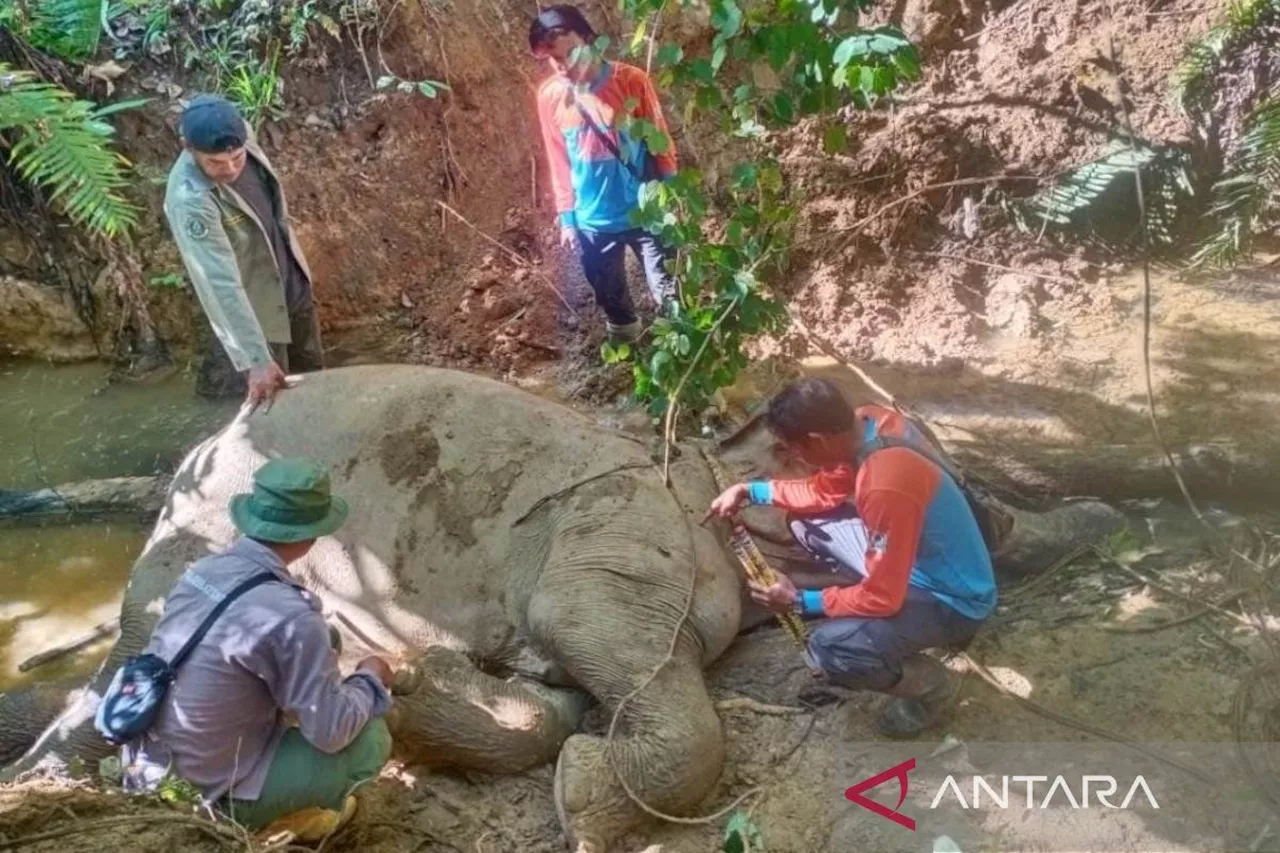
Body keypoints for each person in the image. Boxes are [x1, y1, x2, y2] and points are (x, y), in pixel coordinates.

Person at [704, 377, 997, 738]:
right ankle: (875, 617)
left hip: (954, 597)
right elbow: (824, 492)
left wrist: (798, 600)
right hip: (924, 557)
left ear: (817, 440)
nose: (795, 458)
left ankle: (933, 687)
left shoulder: (883, 485)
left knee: (831, 648)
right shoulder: (870, 422)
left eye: (792, 449)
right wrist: (751, 491)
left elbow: (882, 596)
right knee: (809, 527)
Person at [120, 458, 395, 839]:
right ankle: (258, 820)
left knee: (325, 640)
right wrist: (370, 678)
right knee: (370, 738)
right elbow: (332, 731)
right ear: (313, 536)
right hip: (204, 797)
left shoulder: (202, 572)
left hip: (146, 771)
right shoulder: (294, 617)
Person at [164, 93, 324, 412]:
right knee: (275, 403)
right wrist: (256, 359)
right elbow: (218, 283)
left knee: (317, 384)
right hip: (258, 315)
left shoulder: (241, 134)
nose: (230, 169)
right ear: (187, 147)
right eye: (216, 163)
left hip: (291, 284)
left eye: (237, 158)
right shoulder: (190, 200)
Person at [530, 4, 679, 342]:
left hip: (646, 212)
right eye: (555, 60)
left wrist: (673, 198)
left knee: (670, 292)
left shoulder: (630, 80)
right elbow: (558, 160)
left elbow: (660, 140)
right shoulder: (551, 96)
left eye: (571, 53)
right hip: (593, 221)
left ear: (591, 42)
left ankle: (682, 360)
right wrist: (567, 219)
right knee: (611, 299)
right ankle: (627, 356)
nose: (565, 66)